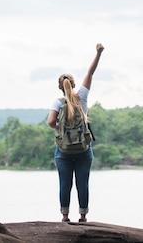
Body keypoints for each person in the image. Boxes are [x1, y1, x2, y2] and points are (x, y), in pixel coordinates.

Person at [47, 43, 105, 223]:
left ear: (59, 87)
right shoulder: (82, 97)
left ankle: (65, 217)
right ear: (73, 84)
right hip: (83, 150)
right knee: (82, 184)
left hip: (63, 151)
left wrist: (61, 128)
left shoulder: (58, 102)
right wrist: (98, 53)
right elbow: (90, 73)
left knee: (65, 184)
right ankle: (82, 217)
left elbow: (50, 122)